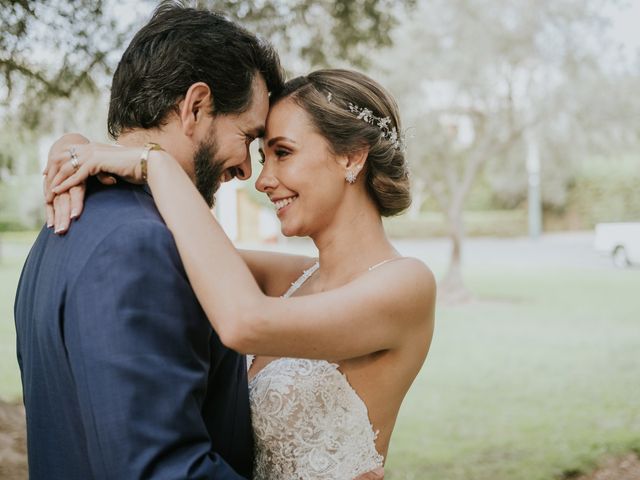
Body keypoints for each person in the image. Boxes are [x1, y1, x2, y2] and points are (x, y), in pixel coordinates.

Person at [44, 69, 436, 479]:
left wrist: (156, 164)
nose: (263, 180)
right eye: (264, 157)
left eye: (283, 153)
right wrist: (71, 147)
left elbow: (243, 322)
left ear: (352, 156)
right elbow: (167, 245)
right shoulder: (291, 279)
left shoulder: (407, 285)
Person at [14, 4, 285, 479]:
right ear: (195, 108)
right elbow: (163, 470)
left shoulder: (61, 230)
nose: (246, 168)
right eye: (248, 136)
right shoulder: (140, 245)